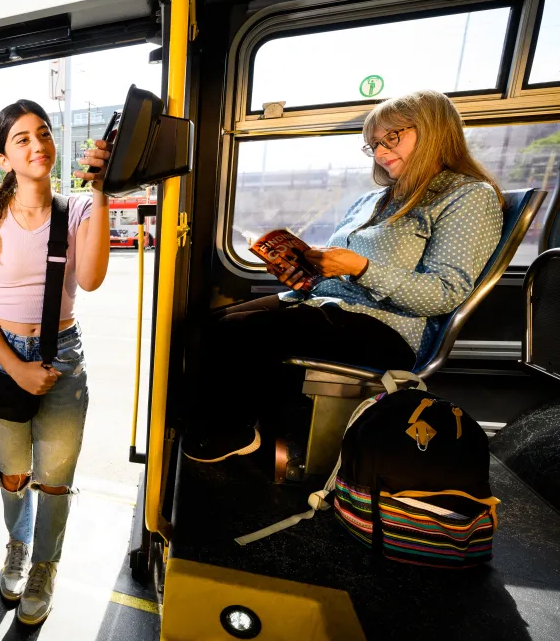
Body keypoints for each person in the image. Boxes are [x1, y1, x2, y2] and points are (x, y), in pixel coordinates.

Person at [182, 89, 503, 464]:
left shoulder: (466, 196)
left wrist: (360, 268)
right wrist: (305, 274)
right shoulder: (375, 199)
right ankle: (249, 426)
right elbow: (341, 270)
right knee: (211, 321)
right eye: (374, 145)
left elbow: (445, 293)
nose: (382, 153)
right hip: (329, 302)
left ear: (434, 131)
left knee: (236, 332)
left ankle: (231, 433)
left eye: (392, 138)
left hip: (388, 327)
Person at [0, 100, 112, 625]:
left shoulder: (80, 208)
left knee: (54, 478)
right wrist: (17, 368)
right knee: (13, 474)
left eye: (43, 133)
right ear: (4, 157)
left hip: (63, 354)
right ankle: (18, 548)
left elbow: (90, 279)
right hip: (2, 353)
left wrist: (101, 188)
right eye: (21, 139)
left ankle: (45, 566)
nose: (37, 145)